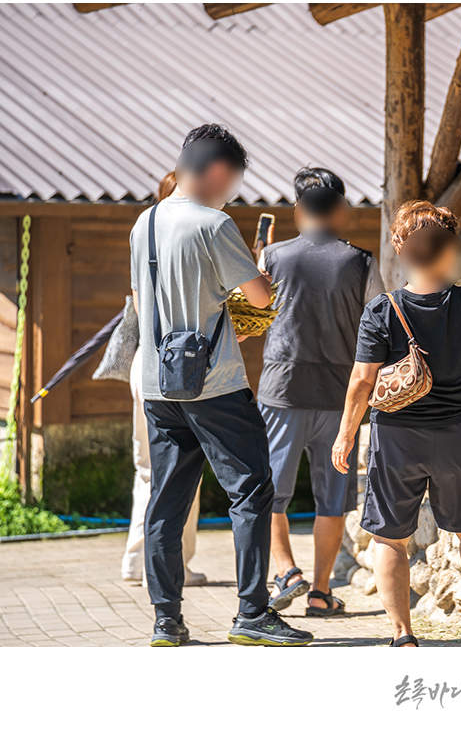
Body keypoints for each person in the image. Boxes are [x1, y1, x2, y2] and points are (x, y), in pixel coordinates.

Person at [129, 124, 313, 648]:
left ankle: (167, 620)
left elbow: (144, 304)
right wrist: (257, 271)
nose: (232, 191)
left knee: (167, 501)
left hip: (158, 384)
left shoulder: (144, 222)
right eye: (232, 180)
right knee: (251, 489)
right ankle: (252, 613)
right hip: (214, 381)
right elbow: (259, 297)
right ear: (215, 171)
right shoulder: (215, 224)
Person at [332, 200, 461, 647]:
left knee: (390, 538)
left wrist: (344, 436)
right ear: (450, 250)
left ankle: (403, 636)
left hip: (397, 437)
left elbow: (362, 381)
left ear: (401, 250)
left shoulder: (382, 310)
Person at [258, 167, 384, 616]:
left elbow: (248, 320)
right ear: (340, 212)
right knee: (332, 500)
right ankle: (319, 591)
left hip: (281, 390)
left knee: (270, 491)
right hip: (339, 395)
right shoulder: (362, 262)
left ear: (297, 212)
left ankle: (286, 571)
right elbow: (379, 328)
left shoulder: (272, 256)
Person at [122, 171, 206, 588]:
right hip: (178, 364)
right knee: (182, 465)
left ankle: (136, 561)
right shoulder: (195, 236)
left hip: (145, 361)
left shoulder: (144, 233)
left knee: (147, 468)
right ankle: (179, 566)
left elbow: (140, 305)